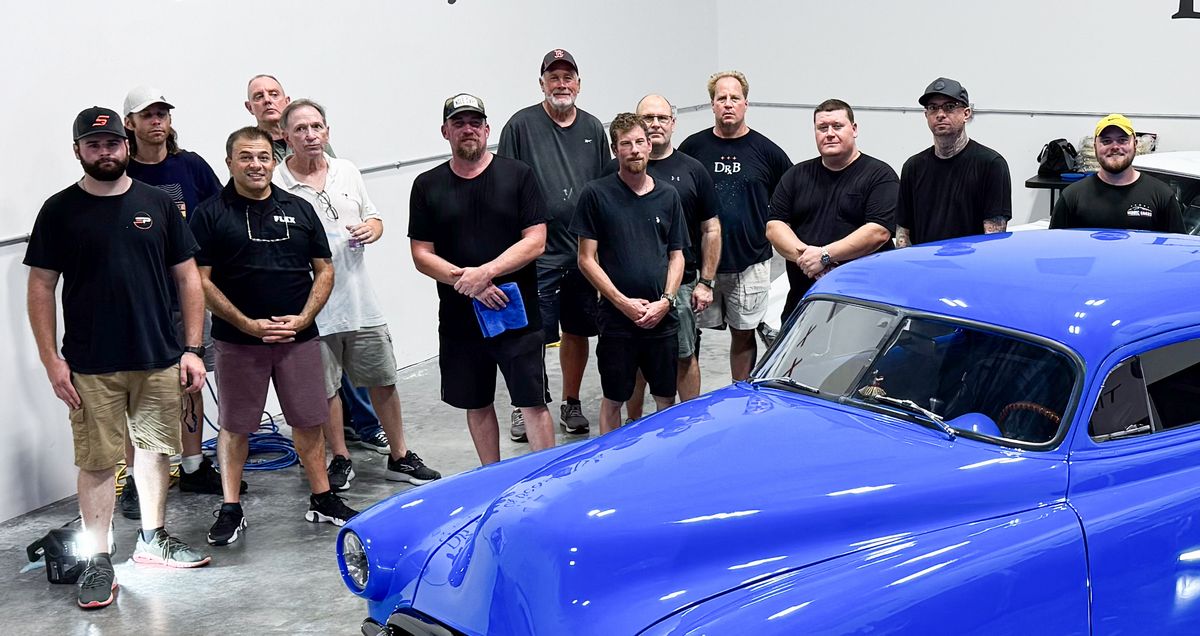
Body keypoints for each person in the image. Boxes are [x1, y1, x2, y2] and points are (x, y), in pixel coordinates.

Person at [25, 106, 212, 610]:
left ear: (125, 146)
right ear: (78, 151)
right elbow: (41, 286)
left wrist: (191, 349)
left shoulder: (156, 203)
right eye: (94, 144)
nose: (104, 152)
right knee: (99, 461)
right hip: (90, 363)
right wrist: (50, 360)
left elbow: (189, 277)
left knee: (154, 452)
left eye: (111, 144)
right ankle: (100, 560)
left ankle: (153, 539)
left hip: (157, 356)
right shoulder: (59, 210)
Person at [189, 126, 357, 547]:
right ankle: (231, 507)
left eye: (263, 157)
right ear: (229, 163)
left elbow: (325, 269)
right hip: (238, 341)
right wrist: (246, 323)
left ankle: (322, 496)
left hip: (297, 339)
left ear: (274, 161)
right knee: (235, 426)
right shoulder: (210, 214)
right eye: (246, 157)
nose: (256, 165)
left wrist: (302, 318)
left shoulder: (299, 208)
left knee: (308, 420)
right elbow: (200, 280)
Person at [274, 98, 441, 489]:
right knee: (326, 389)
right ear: (286, 136)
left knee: (383, 379)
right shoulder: (279, 182)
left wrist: (373, 228)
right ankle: (341, 458)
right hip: (313, 306)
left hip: (360, 301)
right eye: (300, 129)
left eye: (316, 127)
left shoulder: (346, 171)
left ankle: (399, 455)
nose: (310, 135)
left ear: (327, 131)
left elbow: (375, 216)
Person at [410, 93, 555, 465]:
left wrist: (486, 273)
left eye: (475, 122)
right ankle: (490, 478)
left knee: (532, 401)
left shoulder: (518, 175)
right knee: (476, 402)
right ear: (445, 131)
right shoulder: (427, 185)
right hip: (461, 320)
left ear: (487, 129)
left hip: (516, 314)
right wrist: (469, 283)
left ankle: (548, 479)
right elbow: (421, 254)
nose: (468, 129)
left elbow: (536, 240)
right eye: (459, 123)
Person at [117, 86, 232, 516]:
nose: (157, 120)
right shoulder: (121, 173)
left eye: (162, 112)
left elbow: (221, 215)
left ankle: (194, 464)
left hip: (189, 295)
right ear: (130, 123)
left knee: (191, 377)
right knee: (137, 389)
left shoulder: (191, 166)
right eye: (147, 114)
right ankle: (134, 479)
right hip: (141, 302)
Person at [498, 49, 610, 441]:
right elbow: (504, 186)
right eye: (554, 77)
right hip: (537, 257)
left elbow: (602, 190)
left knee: (578, 333)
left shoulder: (595, 129)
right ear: (541, 82)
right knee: (532, 337)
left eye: (568, 77)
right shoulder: (520, 126)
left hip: (581, 255)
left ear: (578, 83)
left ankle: (571, 401)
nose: (561, 84)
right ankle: (525, 405)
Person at [604, 95, 721, 419]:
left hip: (679, 287)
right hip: (627, 292)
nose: (655, 124)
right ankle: (634, 423)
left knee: (684, 354)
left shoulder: (691, 170)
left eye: (661, 117)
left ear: (673, 122)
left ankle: (690, 421)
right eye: (648, 118)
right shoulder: (612, 173)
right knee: (636, 364)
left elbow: (711, 229)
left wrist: (706, 282)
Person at [573, 112, 688, 434]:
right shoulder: (596, 195)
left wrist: (666, 301)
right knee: (613, 397)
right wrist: (622, 302)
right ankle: (607, 465)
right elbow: (586, 259)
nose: (635, 149)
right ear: (615, 150)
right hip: (616, 321)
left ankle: (666, 460)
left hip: (661, 318)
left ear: (650, 146)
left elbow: (676, 255)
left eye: (640, 142)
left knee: (665, 396)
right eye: (626, 144)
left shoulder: (668, 196)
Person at [679, 71, 791, 381]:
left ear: (745, 103)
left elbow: (788, 200)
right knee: (690, 337)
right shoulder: (693, 148)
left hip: (750, 262)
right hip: (699, 265)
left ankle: (739, 394)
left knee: (744, 333)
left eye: (735, 98)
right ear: (712, 105)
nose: (728, 104)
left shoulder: (767, 152)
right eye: (721, 98)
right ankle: (690, 404)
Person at [766, 99, 898, 322]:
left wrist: (825, 255)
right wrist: (809, 259)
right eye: (822, 128)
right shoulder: (796, 175)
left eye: (837, 126)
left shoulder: (880, 175)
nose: (829, 133)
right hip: (805, 301)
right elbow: (774, 226)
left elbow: (878, 232)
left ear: (854, 129)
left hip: (863, 304)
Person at [896, 77, 1011, 247]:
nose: (940, 114)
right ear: (926, 115)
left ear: (966, 113)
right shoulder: (913, 167)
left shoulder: (991, 164)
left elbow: (993, 241)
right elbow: (903, 232)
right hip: (924, 266)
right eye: (933, 108)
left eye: (949, 107)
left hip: (969, 267)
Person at [1050, 114, 1185, 232]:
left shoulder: (1162, 196)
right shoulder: (1071, 197)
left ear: (1135, 144)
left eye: (1122, 140)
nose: (1115, 146)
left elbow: (1178, 252)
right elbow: (1055, 251)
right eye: (1106, 141)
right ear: (1095, 147)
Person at [244, 74, 332, 163]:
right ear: (249, 107)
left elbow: (335, 172)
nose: (267, 100)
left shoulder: (312, 138)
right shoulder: (246, 146)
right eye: (259, 97)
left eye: (274, 94)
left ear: (287, 102)